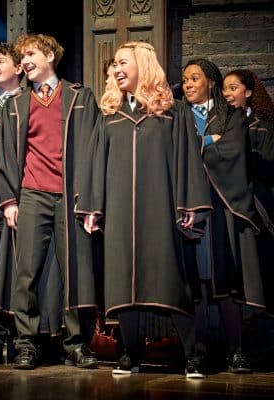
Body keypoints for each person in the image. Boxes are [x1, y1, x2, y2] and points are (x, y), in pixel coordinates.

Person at [75, 41, 212, 374]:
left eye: (124, 62)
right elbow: (95, 162)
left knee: (171, 280)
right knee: (123, 283)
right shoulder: (110, 116)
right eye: (115, 64)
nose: (117, 69)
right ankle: (130, 352)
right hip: (119, 210)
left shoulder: (173, 113)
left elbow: (188, 160)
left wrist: (189, 202)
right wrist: (92, 206)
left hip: (161, 209)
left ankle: (193, 353)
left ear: (144, 65)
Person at [0, 33, 99, 370]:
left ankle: (76, 344)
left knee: (75, 272)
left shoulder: (79, 97)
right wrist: (9, 201)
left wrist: (90, 200)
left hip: (71, 196)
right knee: (26, 273)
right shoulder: (16, 104)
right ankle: (26, 344)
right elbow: (4, 155)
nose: (25, 62)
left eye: (31, 55)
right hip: (32, 194)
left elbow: (93, 150)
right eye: (22, 57)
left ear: (50, 56)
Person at [0, 42, 65, 363]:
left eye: (2, 61)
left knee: (38, 270)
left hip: (32, 195)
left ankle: (44, 338)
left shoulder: (35, 100)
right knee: (1, 274)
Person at [173, 58, 266, 378]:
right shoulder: (179, 115)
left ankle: (237, 350)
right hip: (190, 207)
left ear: (211, 82)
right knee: (196, 283)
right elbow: (176, 153)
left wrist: (199, 145)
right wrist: (209, 141)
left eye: (195, 78)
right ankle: (196, 352)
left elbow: (232, 151)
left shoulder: (231, 115)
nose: (188, 85)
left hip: (222, 208)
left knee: (228, 283)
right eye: (185, 79)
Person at [223, 69, 274, 315]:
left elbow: (268, 165)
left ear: (249, 92)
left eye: (233, 88)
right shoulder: (220, 127)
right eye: (224, 89)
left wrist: (241, 158)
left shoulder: (263, 127)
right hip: (229, 201)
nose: (227, 94)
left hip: (257, 201)